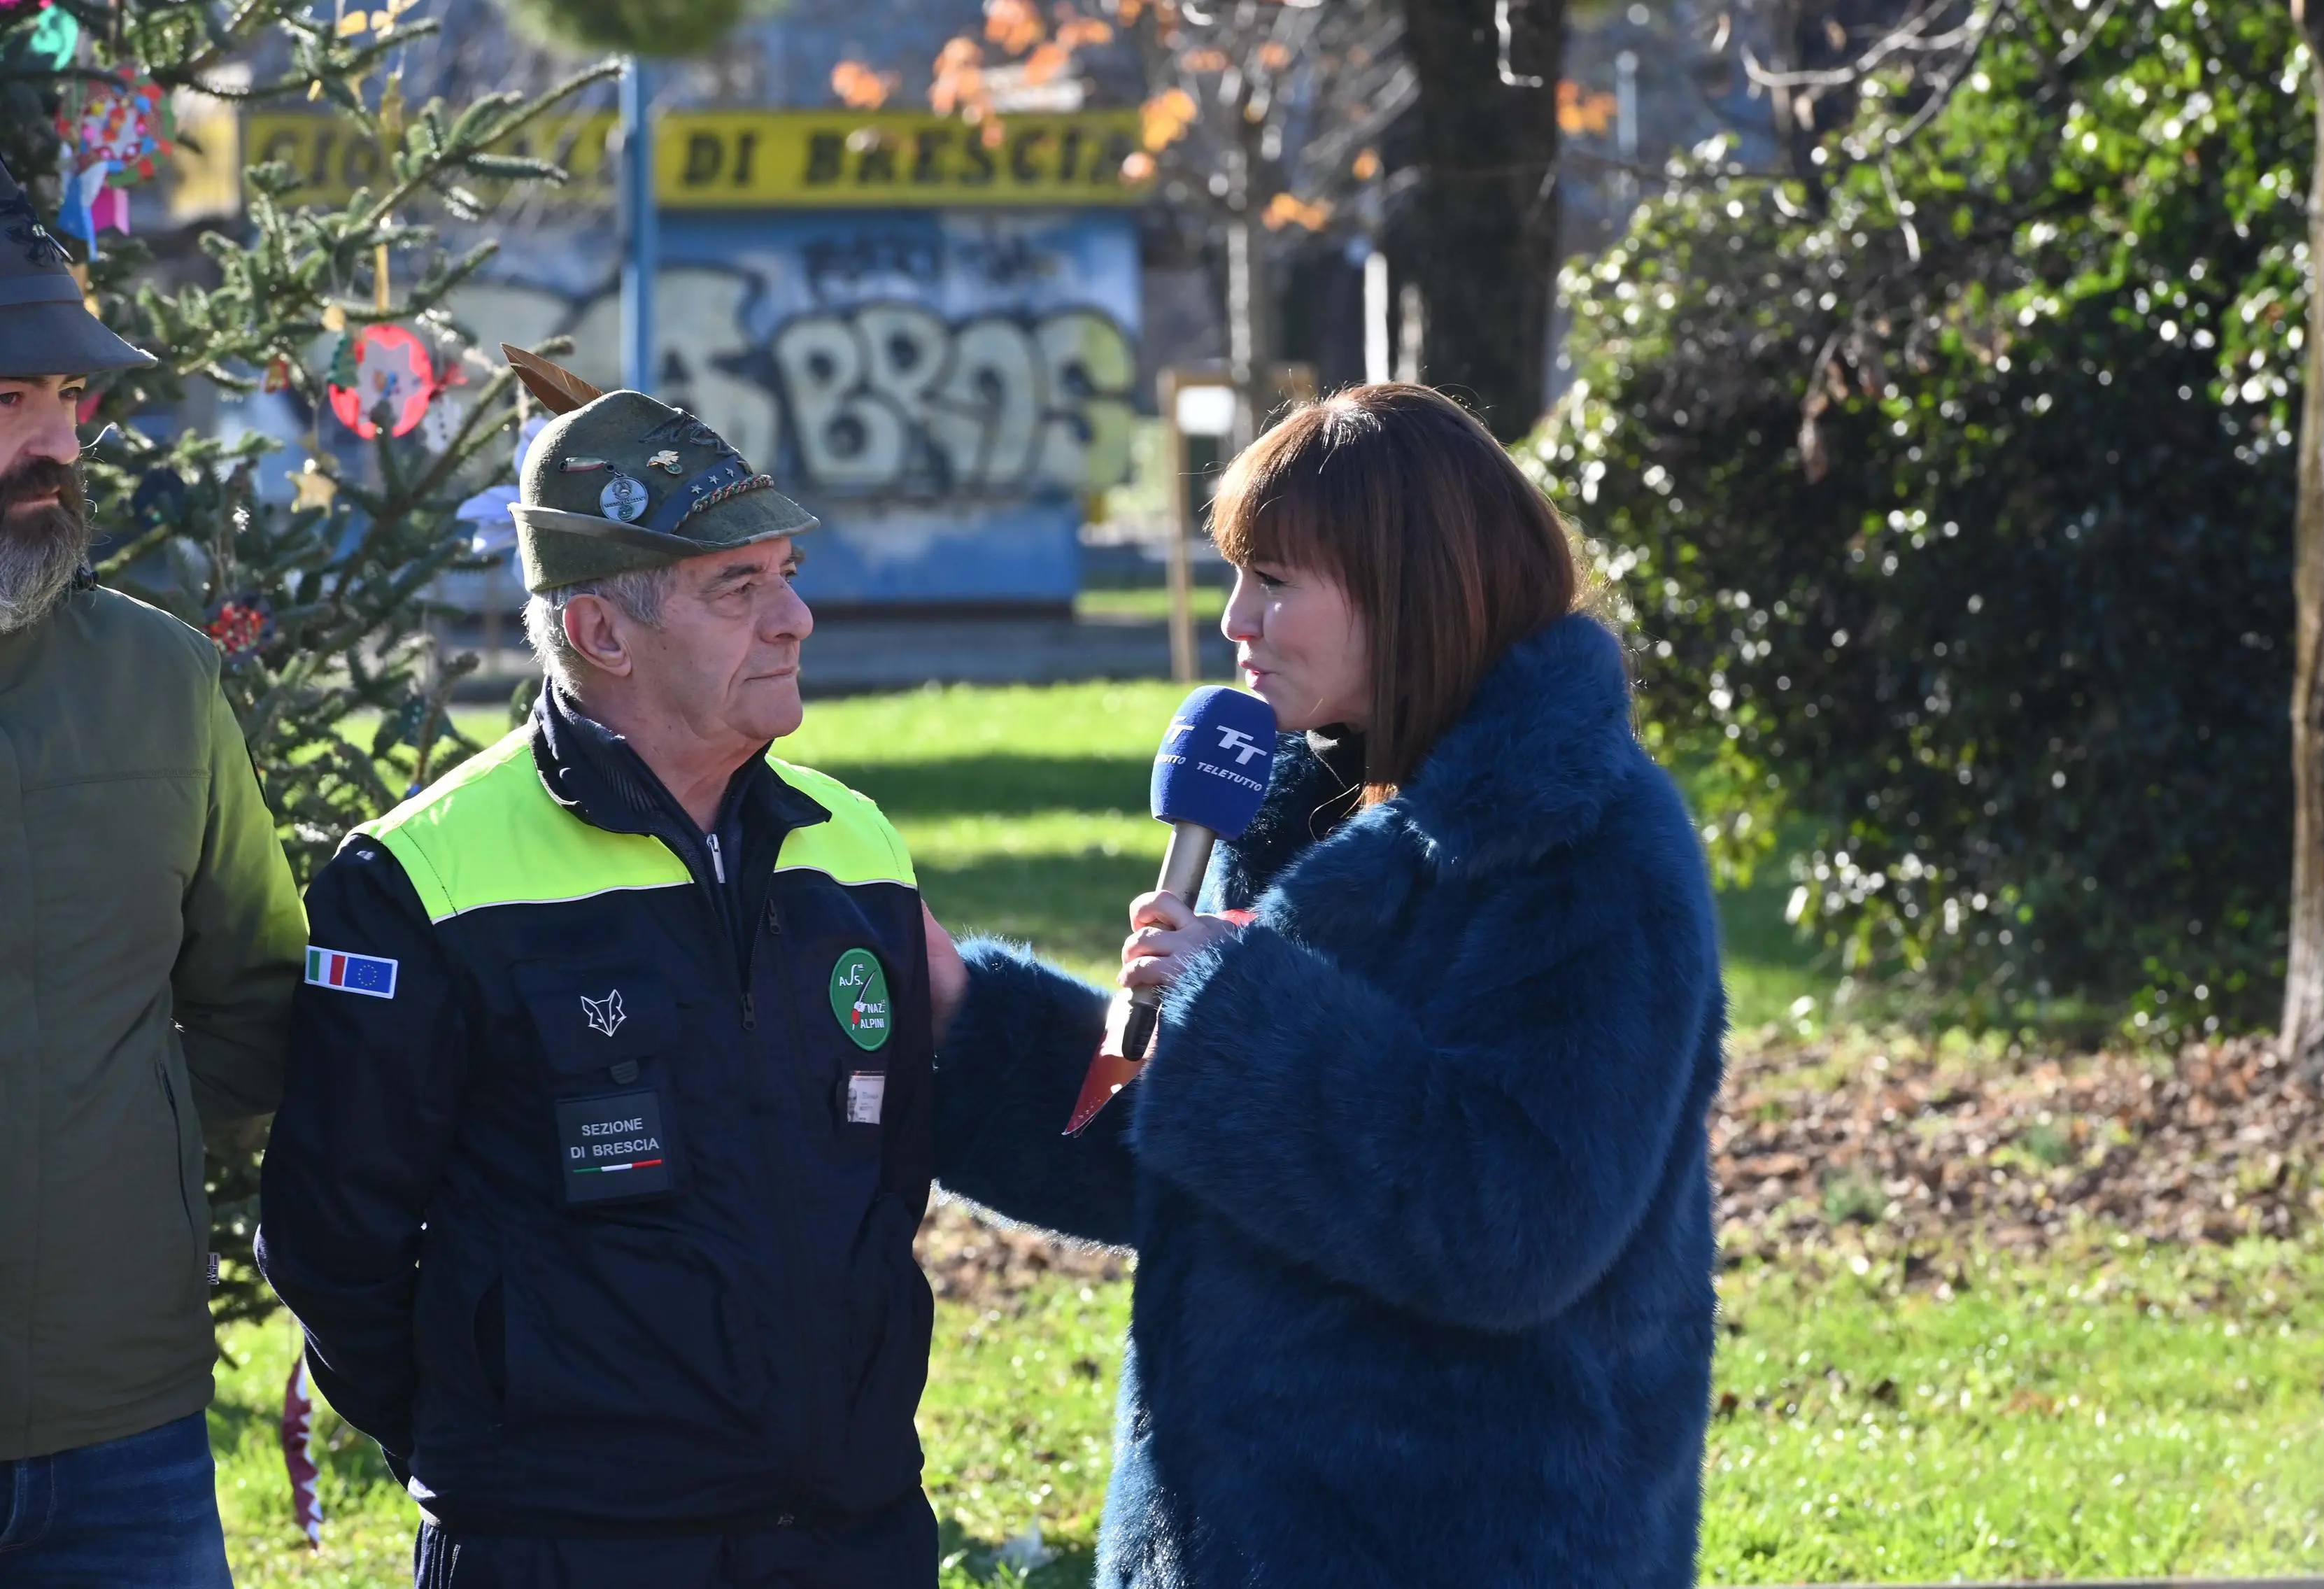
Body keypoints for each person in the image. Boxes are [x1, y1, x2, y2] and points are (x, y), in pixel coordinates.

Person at [926, 383, 1726, 1589]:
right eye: (1236, 573)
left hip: (1472, 1538)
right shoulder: (1290, 810)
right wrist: (967, 1025)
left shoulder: (1590, 848)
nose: (1236, 619)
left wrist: (1232, 1010)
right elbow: (1197, 1158)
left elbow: (1513, 1220)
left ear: (1409, 590)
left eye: (1278, 580)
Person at [257, 362, 942, 1588]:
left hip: (852, 1530)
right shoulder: (420, 877)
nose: (794, 621)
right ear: (598, 630)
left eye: (785, 578)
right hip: (564, 1548)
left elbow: (887, 1182)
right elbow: (332, 1241)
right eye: (736, 589)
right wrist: (505, 1455)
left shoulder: (859, 848)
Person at [0, 159, 307, 1585]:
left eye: (73, 402)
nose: (56, 443)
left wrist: (151, 1155)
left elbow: (257, 994)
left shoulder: (164, 684)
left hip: (121, 1429)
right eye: (10, 401)